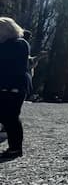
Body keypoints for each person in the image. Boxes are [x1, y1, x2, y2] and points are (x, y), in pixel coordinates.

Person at [0, 17, 31, 158]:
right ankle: (14, 147)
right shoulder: (8, 44)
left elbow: (13, 66)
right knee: (6, 117)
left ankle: (15, 148)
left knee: (11, 117)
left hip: (15, 86)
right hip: (5, 85)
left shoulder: (19, 44)